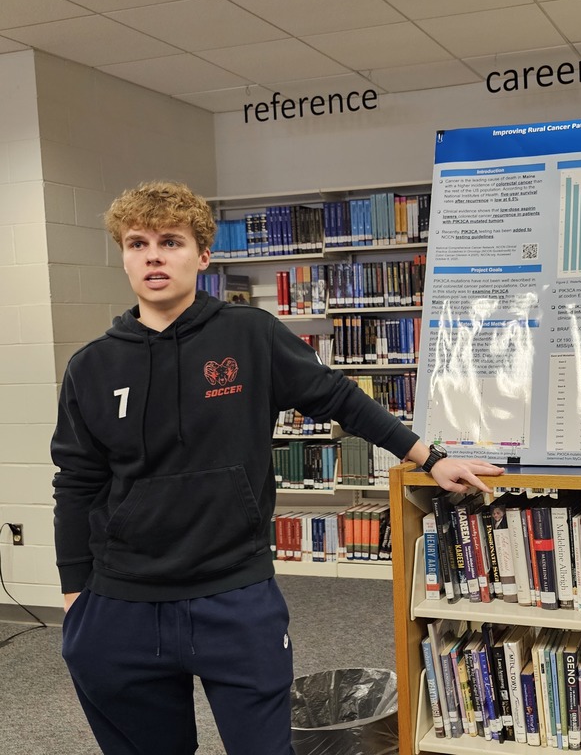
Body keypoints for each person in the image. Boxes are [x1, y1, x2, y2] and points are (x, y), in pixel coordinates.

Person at [51, 180, 505, 755]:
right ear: (124, 256)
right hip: (121, 602)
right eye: (138, 243)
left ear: (203, 255)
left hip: (234, 594)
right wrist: (74, 600)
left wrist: (429, 458)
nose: (154, 255)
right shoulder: (91, 365)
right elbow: (76, 483)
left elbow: (340, 398)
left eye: (171, 241)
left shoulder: (250, 335)